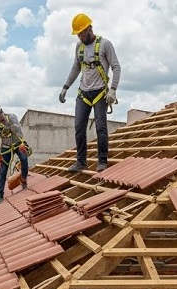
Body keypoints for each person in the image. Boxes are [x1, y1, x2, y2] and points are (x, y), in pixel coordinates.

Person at [59, 13, 120, 173]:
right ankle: (81, 162)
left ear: (89, 28)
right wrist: (66, 86)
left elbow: (116, 67)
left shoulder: (105, 44)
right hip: (83, 93)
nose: (80, 36)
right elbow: (75, 68)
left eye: (82, 32)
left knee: (101, 127)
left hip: (100, 92)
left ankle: (102, 161)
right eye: (78, 34)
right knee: (79, 127)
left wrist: (112, 89)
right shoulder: (79, 47)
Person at [0, 103, 30, 204]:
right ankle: (0, 194)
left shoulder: (11, 117)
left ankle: (23, 178)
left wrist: (10, 126)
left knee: (24, 159)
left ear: (1, 111)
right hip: (5, 148)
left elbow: (18, 129)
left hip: (18, 144)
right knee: (2, 171)